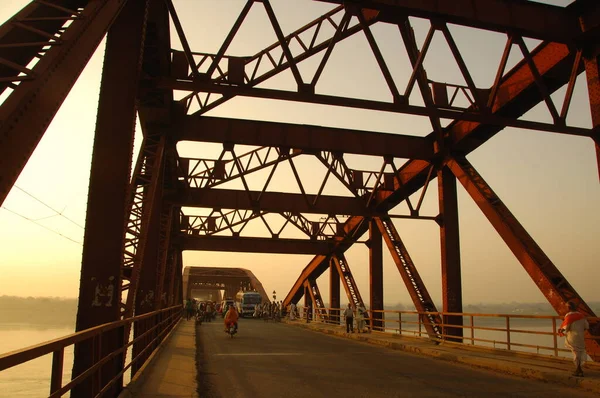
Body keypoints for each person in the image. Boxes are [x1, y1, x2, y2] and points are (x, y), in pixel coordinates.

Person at [558, 301, 589, 377]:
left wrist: (561, 330)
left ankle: (578, 370)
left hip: (572, 337)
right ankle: (579, 369)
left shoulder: (569, 316)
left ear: (569, 308)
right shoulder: (581, 315)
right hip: (580, 337)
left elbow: (566, 327)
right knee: (580, 351)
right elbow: (586, 326)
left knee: (575, 352)